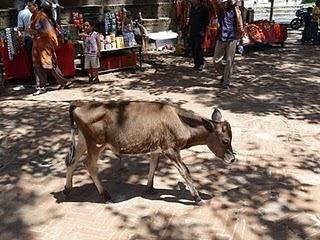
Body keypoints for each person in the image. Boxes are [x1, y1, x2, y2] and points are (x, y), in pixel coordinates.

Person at [26, 0, 69, 95]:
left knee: (50, 65)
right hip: (36, 44)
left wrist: (33, 32)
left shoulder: (42, 17)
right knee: (37, 66)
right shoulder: (33, 17)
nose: (28, 8)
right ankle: (41, 86)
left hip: (45, 45)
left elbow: (47, 32)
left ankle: (63, 82)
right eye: (28, 6)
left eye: (30, 6)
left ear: (36, 6)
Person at [211, 0, 244, 90]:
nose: (223, 4)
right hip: (221, 37)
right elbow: (213, 2)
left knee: (229, 61)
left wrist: (241, 37)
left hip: (232, 38)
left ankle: (226, 82)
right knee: (216, 61)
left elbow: (240, 24)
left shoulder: (235, 9)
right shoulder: (218, 10)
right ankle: (226, 74)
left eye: (224, 2)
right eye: (222, 2)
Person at [189, 0, 209, 71]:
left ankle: (201, 62)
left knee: (199, 47)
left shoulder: (204, 9)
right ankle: (196, 63)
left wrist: (205, 31)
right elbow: (190, 20)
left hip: (200, 31)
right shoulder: (192, 8)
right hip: (193, 31)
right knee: (193, 47)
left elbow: (206, 22)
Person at [17, 1, 34, 83]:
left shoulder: (21, 13)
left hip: (28, 38)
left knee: (31, 59)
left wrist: (24, 29)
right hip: (38, 38)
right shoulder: (36, 12)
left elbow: (20, 27)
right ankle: (43, 79)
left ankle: (34, 80)